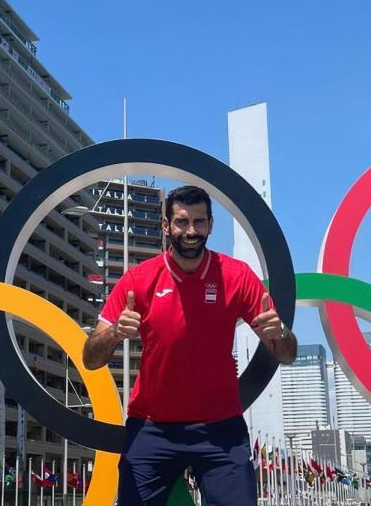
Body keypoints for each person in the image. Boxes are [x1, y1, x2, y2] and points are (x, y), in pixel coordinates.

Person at [83, 185, 298, 505]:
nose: (191, 231)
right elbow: (90, 359)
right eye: (182, 222)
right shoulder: (138, 279)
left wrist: (280, 332)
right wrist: (114, 332)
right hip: (152, 426)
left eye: (199, 222)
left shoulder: (237, 276)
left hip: (220, 428)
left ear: (210, 225)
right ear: (166, 225)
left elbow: (287, 355)